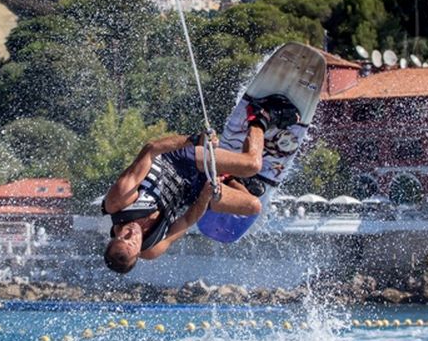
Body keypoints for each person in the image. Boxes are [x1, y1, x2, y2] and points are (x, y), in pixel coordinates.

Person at [102, 96, 300, 274]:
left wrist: (194, 140)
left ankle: (261, 116)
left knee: (252, 165)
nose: (132, 233)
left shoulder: (118, 202)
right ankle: (231, 177)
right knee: (253, 206)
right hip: (193, 191)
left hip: (181, 160)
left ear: (113, 238)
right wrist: (205, 196)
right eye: (133, 243)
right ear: (138, 254)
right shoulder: (152, 248)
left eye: (124, 236)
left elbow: (150, 150)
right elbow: (187, 220)